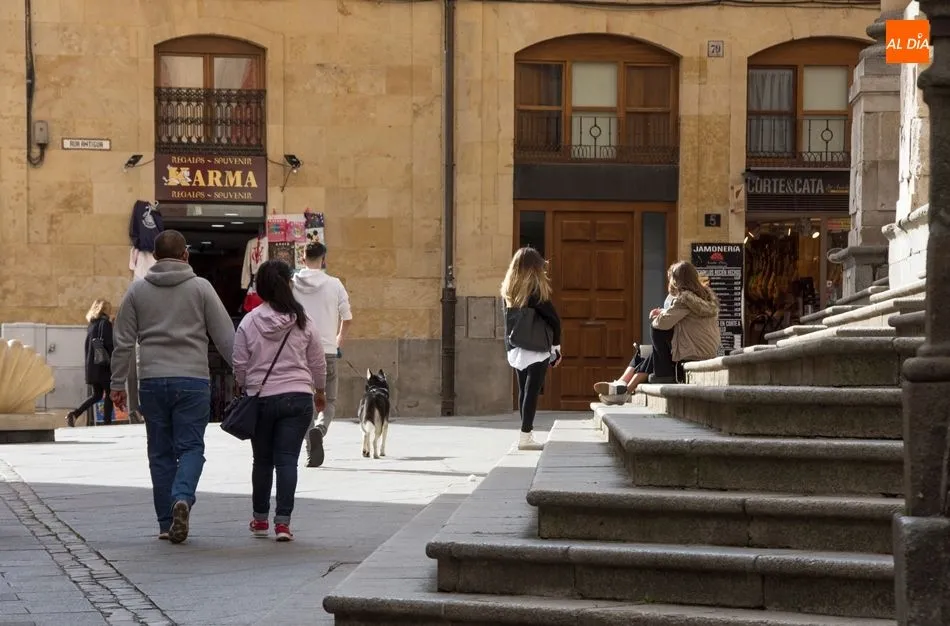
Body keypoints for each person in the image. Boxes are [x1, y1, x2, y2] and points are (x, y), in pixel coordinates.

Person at [109, 230, 236, 544]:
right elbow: (225, 336)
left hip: (152, 380)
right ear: (185, 255)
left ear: (154, 257)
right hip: (192, 379)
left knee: (159, 453)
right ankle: (182, 496)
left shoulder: (137, 290)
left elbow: (123, 342)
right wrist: (244, 373)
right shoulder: (201, 288)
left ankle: (166, 523)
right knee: (191, 448)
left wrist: (117, 383)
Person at [234, 260, 328, 542]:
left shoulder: (249, 321)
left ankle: (260, 519)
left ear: (261, 287)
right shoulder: (303, 320)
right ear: (288, 284)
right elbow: (317, 361)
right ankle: (283, 524)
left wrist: (246, 386)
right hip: (298, 397)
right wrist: (320, 390)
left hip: (261, 398)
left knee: (262, 461)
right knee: (287, 460)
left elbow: (239, 363)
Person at [595, 261, 720, 397]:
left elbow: (661, 324)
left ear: (676, 280)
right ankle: (623, 387)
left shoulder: (684, 300)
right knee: (645, 353)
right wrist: (664, 312)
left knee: (656, 330)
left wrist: (659, 315)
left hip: (693, 352)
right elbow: (684, 318)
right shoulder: (704, 298)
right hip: (705, 350)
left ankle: (626, 386)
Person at [292, 242, 352, 468]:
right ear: (323, 259)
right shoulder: (334, 284)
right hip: (327, 350)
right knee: (330, 399)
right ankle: (321, 428)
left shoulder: (292, 283)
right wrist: (338, 340)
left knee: (305, 400)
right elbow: (348, 318)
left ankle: (310, 447)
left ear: (303, 259)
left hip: (300, 351)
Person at [501, 247, 562, 451]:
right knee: (532, 391)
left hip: (517, 346)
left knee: (524, 391)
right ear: (534, 267)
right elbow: (554, 319)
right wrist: (556, 347)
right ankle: (525, 437)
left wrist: (509, 345)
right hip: (536, 346)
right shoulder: (535, 290)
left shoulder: (509, 288)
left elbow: (509, 322)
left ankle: (525, 434)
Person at [66, 300, 115, 427]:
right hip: (104, 366)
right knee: (110, 393)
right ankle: (107, 423)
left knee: (97, 395)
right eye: (109, 309)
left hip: (92, 367)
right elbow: (109, 344)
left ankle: (74, 414)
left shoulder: (91, 325)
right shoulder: (105, 324)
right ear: (105, 310)